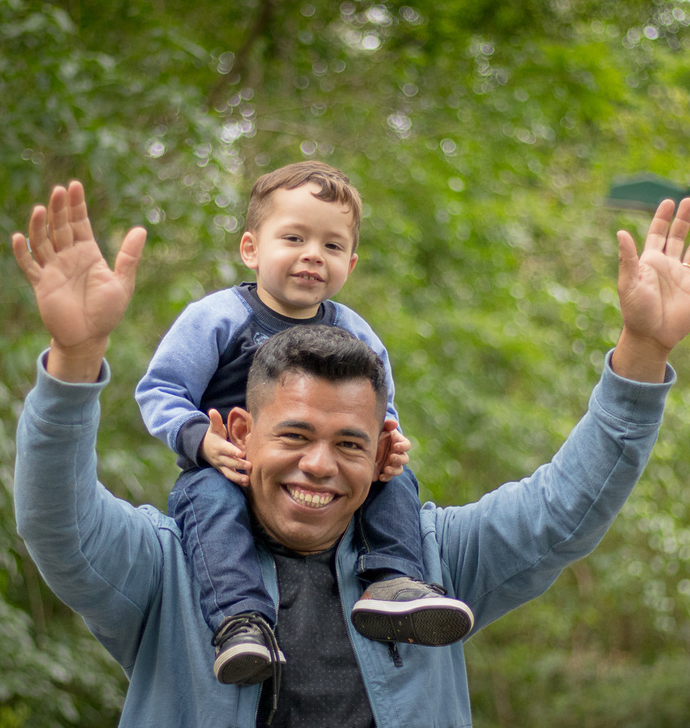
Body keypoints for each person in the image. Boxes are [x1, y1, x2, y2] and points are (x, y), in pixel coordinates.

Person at [10, 180, 690, 728]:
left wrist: (643, 350)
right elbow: (58, 523)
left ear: (381, 444)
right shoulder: (165, 568)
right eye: (294, 436)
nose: (320, 465)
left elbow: (563, 512)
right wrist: (76, 359)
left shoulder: (431, 558)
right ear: (239, 434)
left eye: (349, 443)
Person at [133, 161, 472, 687]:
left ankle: (394, 581)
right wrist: (201, 441)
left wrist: (390, 442)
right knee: (205, 500)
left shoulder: (353, 330)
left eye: (332, 246)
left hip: (324, 474)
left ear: (350, 264)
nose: (313, 254)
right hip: (232, 467)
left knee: (396, 481)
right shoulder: (219, 317)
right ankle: (241, 622)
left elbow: (380, 409)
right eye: (294, 237)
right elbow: (161, 389)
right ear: (251, 248)